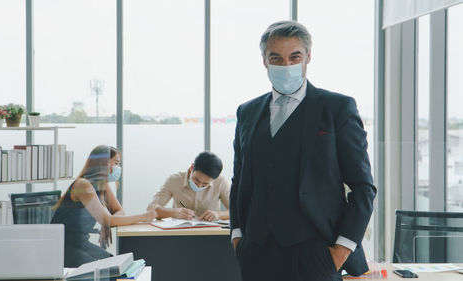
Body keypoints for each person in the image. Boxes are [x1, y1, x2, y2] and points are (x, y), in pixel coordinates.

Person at [229, 21, 377, 281]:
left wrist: (341, 250)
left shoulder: (337, 108)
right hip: (256, 255)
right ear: (264, 61)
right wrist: (238, 236)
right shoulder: (248, 112)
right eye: (276, 58)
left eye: (294, 57)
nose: (286, 66)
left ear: (308, 57)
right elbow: (239, 180)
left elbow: (363, 187)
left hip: (317, 254)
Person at [51, 145, 156, 267]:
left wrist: (106, 223)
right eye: (116, 163)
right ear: (104, 163)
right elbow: (107, 219)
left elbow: (118, 211)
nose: (118, 168)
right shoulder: (83, 185)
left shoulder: (102, 185)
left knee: (119, 266)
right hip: (63, 246)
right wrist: (144, 216)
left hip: (81, 243)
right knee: (106, 271)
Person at [147, 151, 230, 221]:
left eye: (205, 184)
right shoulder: (174, 180)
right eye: (196, 180)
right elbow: (151, 209)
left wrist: (219, 214)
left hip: (210, 233)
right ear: (192, 168)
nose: (199, 186)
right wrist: (174, 212)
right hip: (180, 232)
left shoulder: (220, 182)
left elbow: (237, 211)